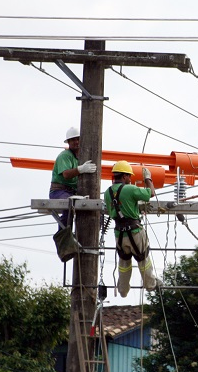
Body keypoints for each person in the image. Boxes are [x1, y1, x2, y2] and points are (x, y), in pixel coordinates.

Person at [104, 160, 160, 297]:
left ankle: (123, 290)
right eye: (129, 176)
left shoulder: (108, 192)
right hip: (135, 231)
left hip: (119, 234)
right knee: (143, 258)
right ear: (124, 176)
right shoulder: (129, 189)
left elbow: (117, 207)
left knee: (124, 262)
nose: (130, 179)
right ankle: (150, 284)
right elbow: (150, 193)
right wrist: (148, 178)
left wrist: (133, 206)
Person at [49, 127, 97, 227]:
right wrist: (81, 169)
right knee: (68, 205)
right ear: (68, 142)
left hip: (72, 192)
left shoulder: (81, 157)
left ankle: (78, 235)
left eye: (78, 139)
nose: (76, 142)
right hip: (59, 192)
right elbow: (66, 174)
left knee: (89, 207)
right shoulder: (65, 155)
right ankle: (65, 236)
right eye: (73, 140)